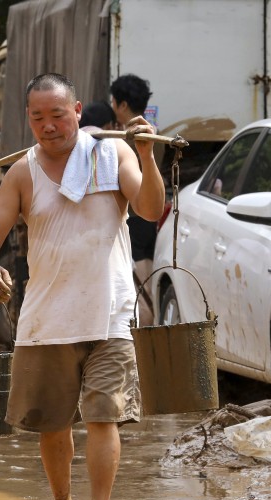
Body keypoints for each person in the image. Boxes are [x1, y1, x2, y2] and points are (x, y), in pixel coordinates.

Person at [0, 73, 165, 500]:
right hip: (47, 317)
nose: (49, 126)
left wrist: (145, 156)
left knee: (104, 416)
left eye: (58, 115)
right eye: (38, 117)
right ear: (29, 120)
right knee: (54, 423)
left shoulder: (110, 154)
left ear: (78, 111)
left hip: (109, 313)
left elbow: (148, 208)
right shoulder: (23, 172)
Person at [110, 74, 159, 324]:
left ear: (123, 105)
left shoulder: (125, 140)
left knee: (139, 289)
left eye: (114, 102)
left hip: (135, 220)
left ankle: (143, 346)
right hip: (152, 222)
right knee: (148, 284)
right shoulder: (157, 133)